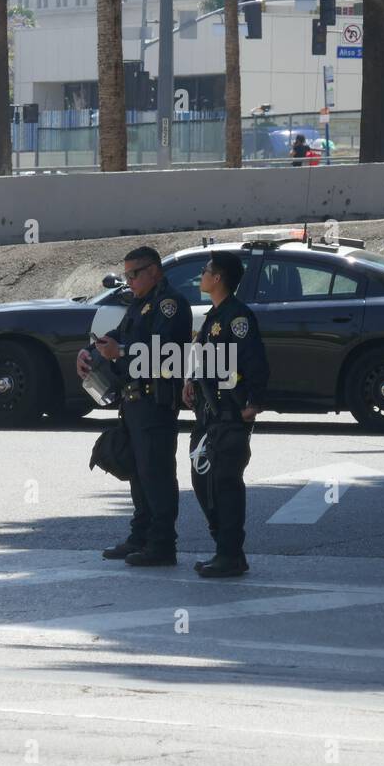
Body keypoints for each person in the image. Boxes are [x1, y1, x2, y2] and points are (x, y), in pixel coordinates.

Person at [77, 246, 192, 567]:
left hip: (155, 401)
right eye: (125, 275)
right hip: (132, 401)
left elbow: (167, 352)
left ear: (154, 270)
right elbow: (116, 336)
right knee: (138, 474)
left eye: (134, 274)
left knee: (156, 474)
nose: (129, 281)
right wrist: (90, 352)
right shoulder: (140, 305)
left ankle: (162, 545)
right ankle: (140, 536)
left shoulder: (169, 305)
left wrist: (123, 352)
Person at [183, 251, 269, 577]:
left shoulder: (237, 317)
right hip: (208, 413)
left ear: (217, 278)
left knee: (225, 483)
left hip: (230, 413)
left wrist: (254, 402)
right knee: (201, 478)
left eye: (205, 271)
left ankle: (230, 554)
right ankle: (224, 546)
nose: (201, 276)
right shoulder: (213, 316)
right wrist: (190, 380)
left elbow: (255, 363)